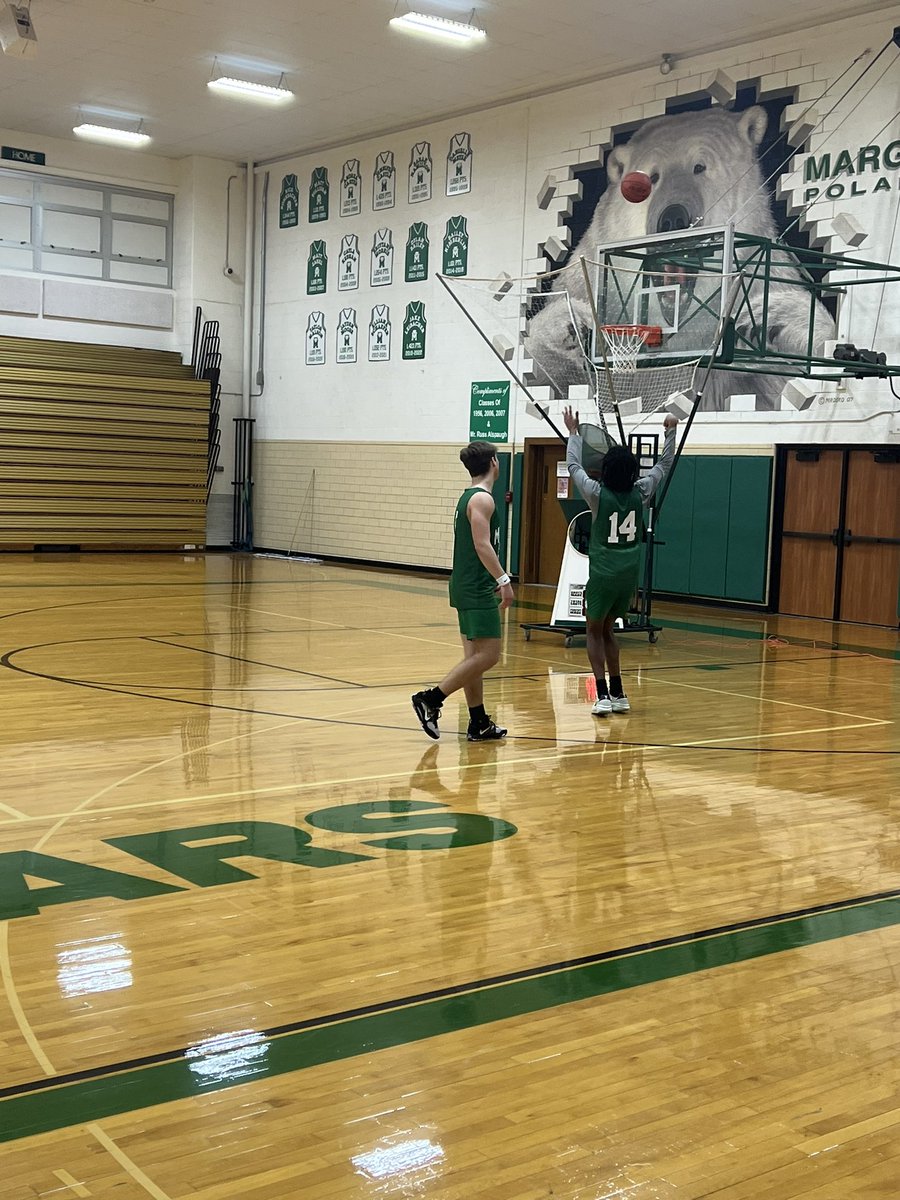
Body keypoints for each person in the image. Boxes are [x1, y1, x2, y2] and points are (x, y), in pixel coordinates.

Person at [562, 406, 678, 715]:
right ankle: (619, 692)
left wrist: (573, 433)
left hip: (603, 573)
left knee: (593, 631)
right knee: (609, 630)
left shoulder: (596, 493)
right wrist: (670, 431)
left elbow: (573, 465)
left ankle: (602, 694)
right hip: (628, 575)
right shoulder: (642, 491)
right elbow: (665, 464)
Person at [412, 441, 514, 741]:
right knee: (490, 655)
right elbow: (482, 545)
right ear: (494, 462)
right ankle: (431, 698)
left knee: (474, 658)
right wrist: (504, 580)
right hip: (476, 587)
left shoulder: (470, 496)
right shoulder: (482, 499)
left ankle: (479, 722)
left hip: (467, 584)